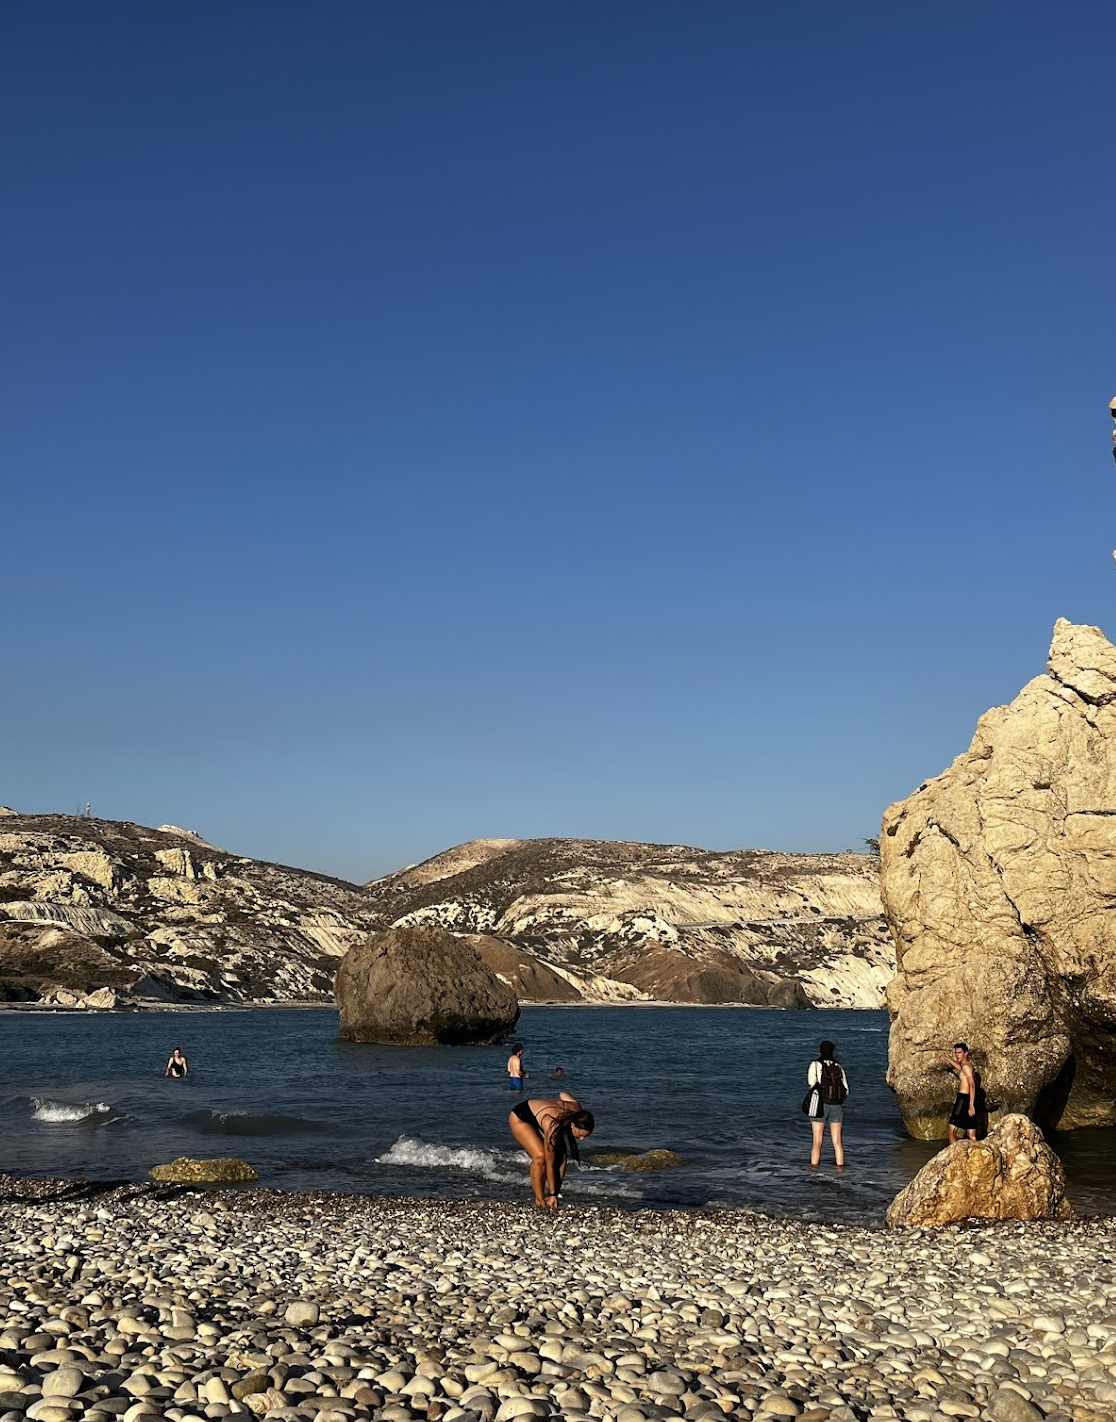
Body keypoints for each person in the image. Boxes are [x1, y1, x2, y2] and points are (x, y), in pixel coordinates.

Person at [508, 1092, 595, 1209]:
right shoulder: (552, 1125)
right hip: (521, 1118)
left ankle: (554, 1196)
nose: (582, 1139)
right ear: (572, 1125)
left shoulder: (577, 1110)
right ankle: (540, 1200)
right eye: (580, 1135)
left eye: (585, 1136)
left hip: (545, 1116)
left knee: (562, 1156)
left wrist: (555, 1193)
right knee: (540, 1157)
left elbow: (563, 1094)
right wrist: (552, 1194)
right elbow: (550, 1164)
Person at [805, 1039, 847, 1167]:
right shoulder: (838, 1067)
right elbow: (846, 1090)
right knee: (837, 1142)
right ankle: (840, 1170)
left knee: (817, 1142)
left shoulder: (815, 1065)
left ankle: (814, 1170)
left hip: (820, 1106)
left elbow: (811, 1085)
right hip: (837, 1106)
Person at [942, 1041, 978, 1142]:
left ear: (965, 1053)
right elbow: (960, 1068)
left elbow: (972, 1085)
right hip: (969, 1099)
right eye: (956, 1053)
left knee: (952, 1130)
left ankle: (954, 1151)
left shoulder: (966, 1067)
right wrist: (946, 1058)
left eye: (959, 1053)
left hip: (963, 1100)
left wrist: (971, 1105)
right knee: (971, 1134)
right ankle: (979, 1151)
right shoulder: (967, 1066)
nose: (957, 1055)